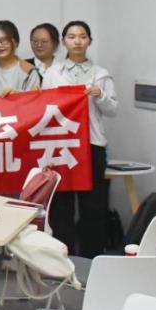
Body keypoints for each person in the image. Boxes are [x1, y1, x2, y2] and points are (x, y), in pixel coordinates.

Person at [43, 21, 118, 259]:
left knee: (93, 205)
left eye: (83, 36)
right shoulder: (53, 73)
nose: (77, 41)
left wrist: (100, 94)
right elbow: (43, 106)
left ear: (90, 41)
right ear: (63, 41)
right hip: (62, 144)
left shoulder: (101, 74)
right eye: (72, 36)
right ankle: (61, 258)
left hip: (91, 144)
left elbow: (113, 109)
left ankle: (91, 258)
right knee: (61, 204)